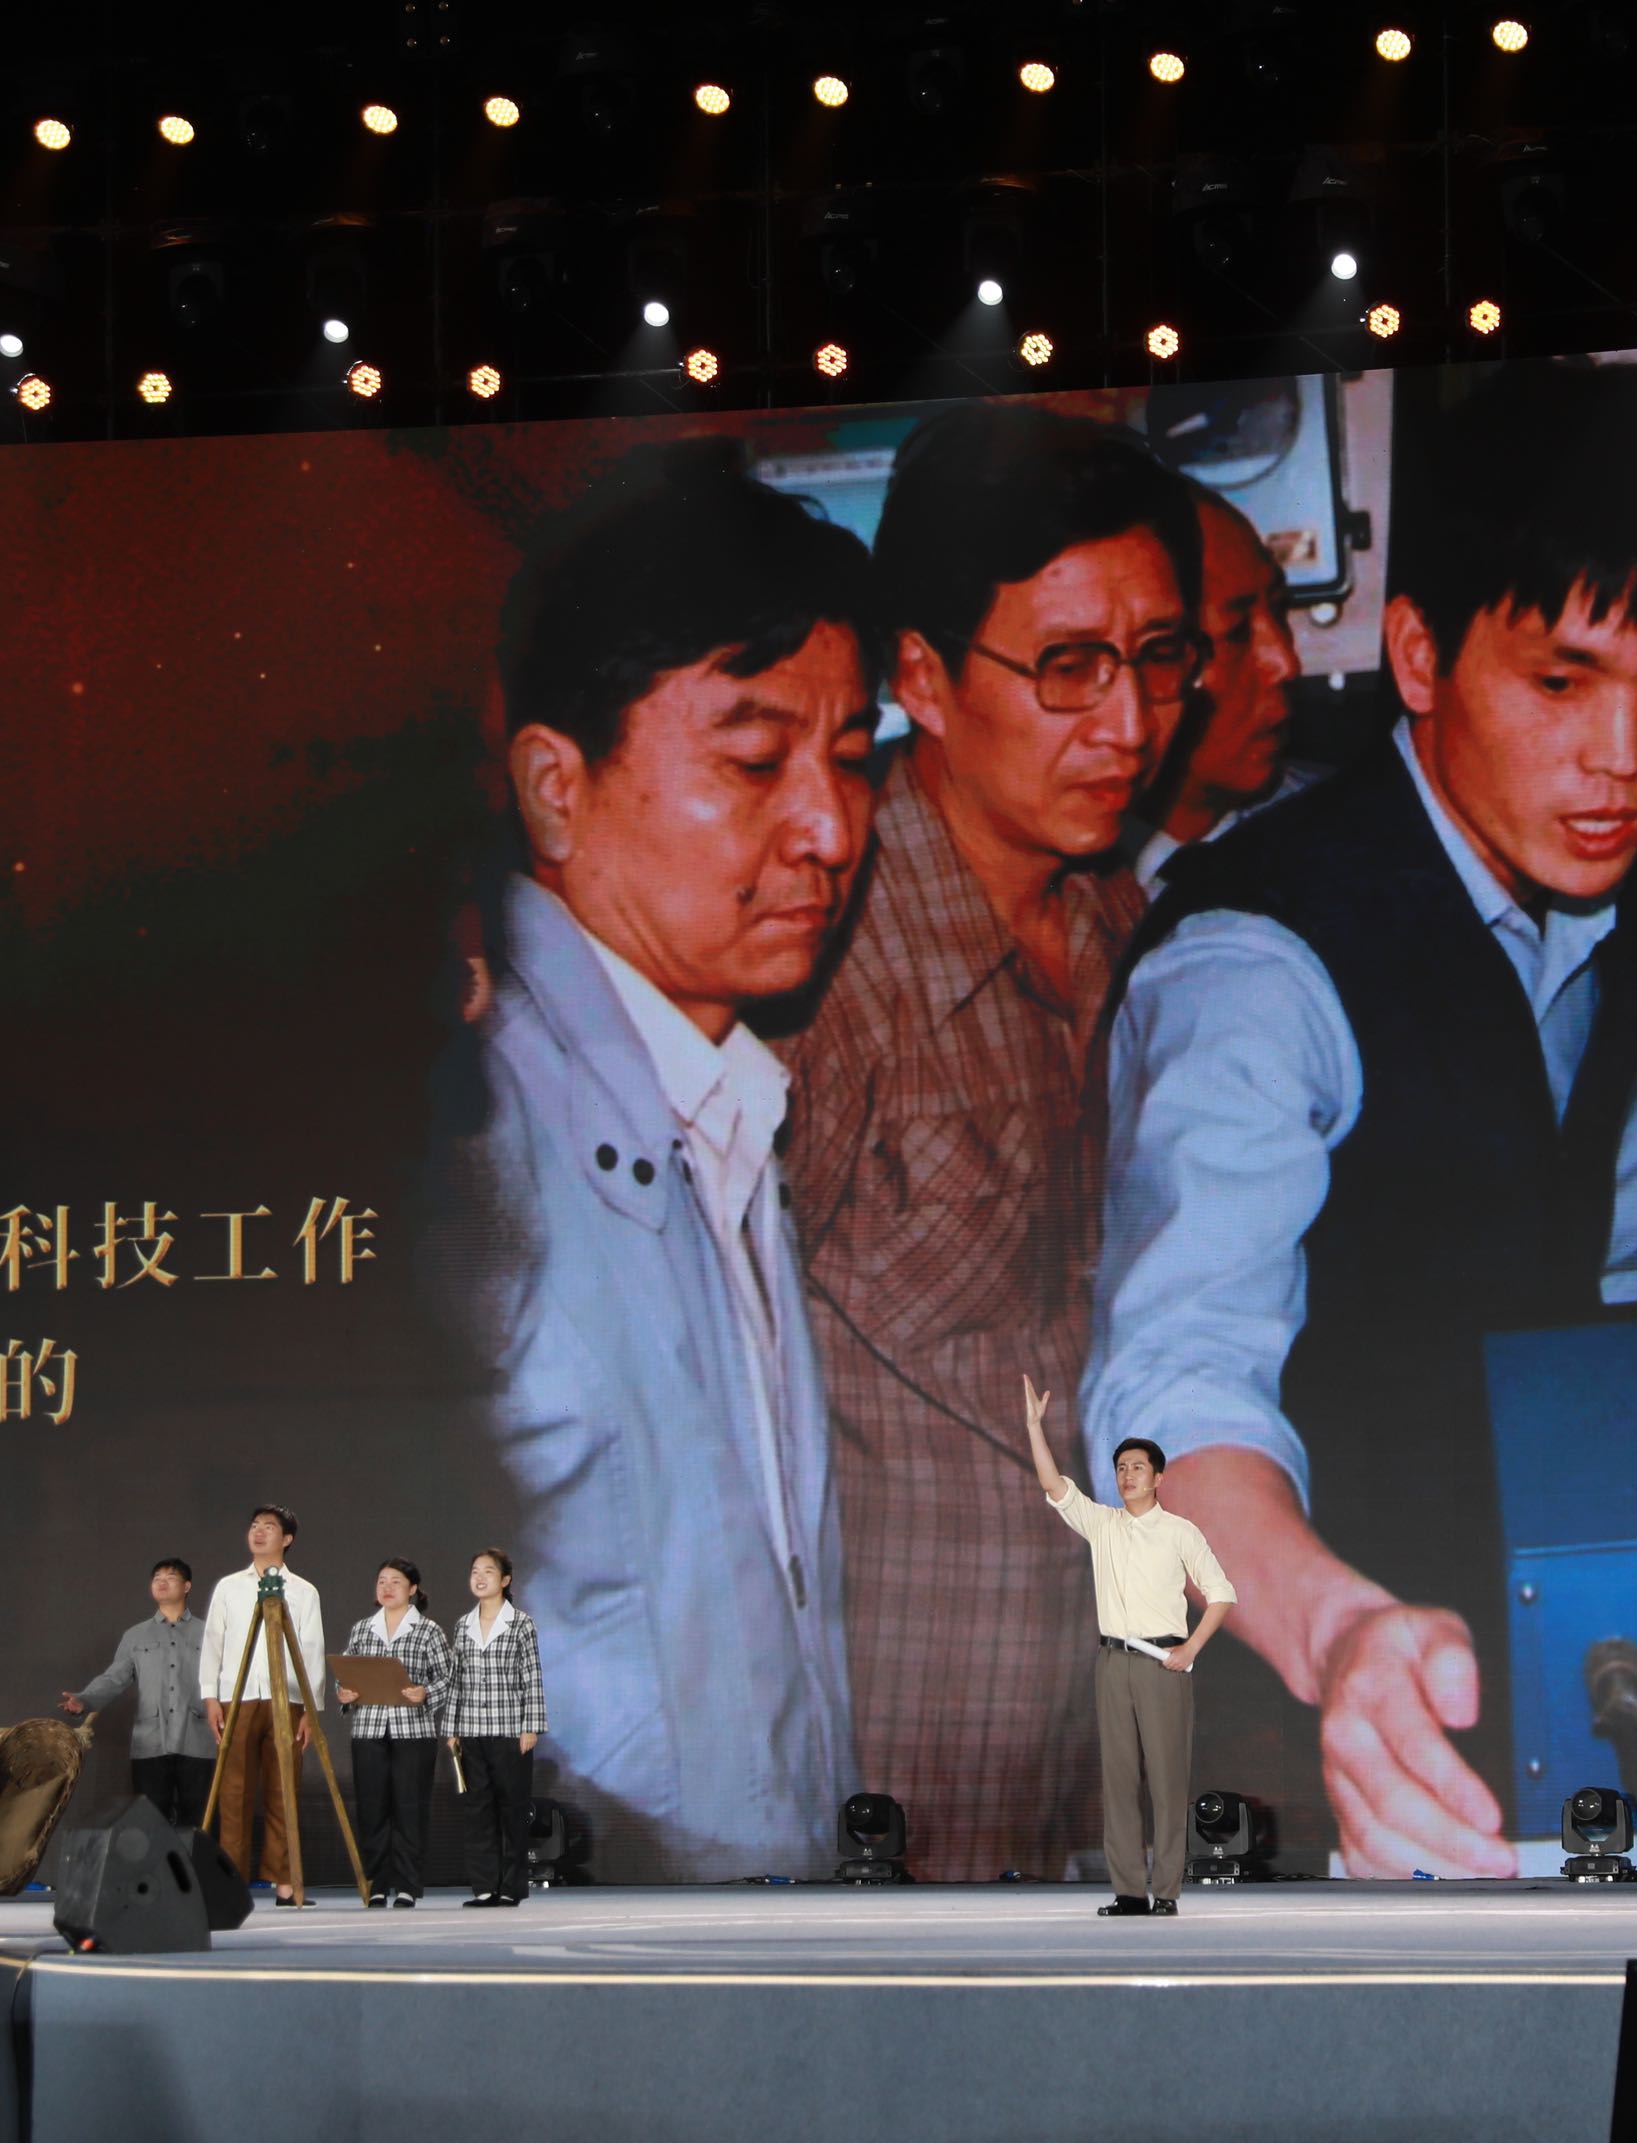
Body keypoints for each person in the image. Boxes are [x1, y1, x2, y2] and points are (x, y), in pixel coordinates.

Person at [1089, 358, 1637, 1879]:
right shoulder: (1257, 959)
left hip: (1530, 1642)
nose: (1623, 756)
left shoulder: (1632, 883)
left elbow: (1612, 1273)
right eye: (1561, 681)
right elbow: (1173, 1400)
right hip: (1280, 1699)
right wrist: (1339, 1630)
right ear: (1420, 654)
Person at [431, 442, 870, 1882]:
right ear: (554, 787)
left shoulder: (720, 1094)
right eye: (753, 761)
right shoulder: (473, 1132)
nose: (829, 828)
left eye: (852, 759)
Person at [782, 405, 1203, 1888]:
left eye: (1159, 658)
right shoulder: (825, 959)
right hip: (891, 1776)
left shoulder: (1123, 922)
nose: (1130, 725)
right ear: (922, 677)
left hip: (1088, 1738)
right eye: (1068, 667)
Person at [1020, 1374, 1236, 1915]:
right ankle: (1129, 1892)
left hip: (1164, 1662)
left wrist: (1191, 1649)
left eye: (1137, 1467)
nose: (1127, 1475)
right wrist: (1034, 1428)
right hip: (1113, 1661)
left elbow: (1221, 1594)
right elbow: (1054, 1485)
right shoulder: (1104, 1525)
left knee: (1166, 1780)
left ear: (1158, 1477)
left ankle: (1167, 1891)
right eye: (1120, 1467)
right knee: (1117, 1780)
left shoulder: (1180, 1531)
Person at [1125, 482, 1312, 895]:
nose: (1286, 663)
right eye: (1238, 631)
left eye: (1279, 609)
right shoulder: (1058, 894)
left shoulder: (1349, 834)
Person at [199, 1505, 330, 1906]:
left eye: (269, 1527)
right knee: (233, 1793)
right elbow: (214, 1642)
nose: (258, 1532)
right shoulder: (229, 1587)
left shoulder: (303, 1591)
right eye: (255, 1526)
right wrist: (210, 1695)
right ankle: (231, 1882)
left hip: (286, 1699)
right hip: (237, 1696)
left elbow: (312, 1650)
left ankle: (286, 1882)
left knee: (283, 1790)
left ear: (286, 1539)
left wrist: (311, 1709)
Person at [63, 1558, 213, 1832]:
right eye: (157, 1578)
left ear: (187, 1586)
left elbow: (226, 1681)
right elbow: (114, 1678)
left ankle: (199, 1863)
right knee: (150, 1824)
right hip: (150, 1742)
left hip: (198, 1739)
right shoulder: (136, 1635)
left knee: (202, 1822)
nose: (162, 1582)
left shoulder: (209, 1633)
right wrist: (85, 1699)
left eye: (170, 1577)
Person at [341, 1560, 450, 1909]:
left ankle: (407, 1885)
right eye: (382, 1581)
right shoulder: (362, 1629)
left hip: (412, 1732)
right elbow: (346, 1672)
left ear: (413, 1589)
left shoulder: (428, 1630)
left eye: (396, 1582)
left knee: (409, 1809)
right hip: (369, 1729)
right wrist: (345, 1692)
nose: (387, 1588)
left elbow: (447, 1677)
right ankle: (374, 1884)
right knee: (371, 1808)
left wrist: (426, 1693)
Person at [444, 1549, 545, 1908]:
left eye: (488, 1571)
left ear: (505, 1580)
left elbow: (532, 1676)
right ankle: (484, 1887)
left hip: (509, 1730)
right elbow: (456, 1680)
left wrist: (531, 1726)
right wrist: (452, 1727)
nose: (480, 1577)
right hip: (471, 1729)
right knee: (478, 1810)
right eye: (475, 1571)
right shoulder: (463, 1625)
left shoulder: (521, 1623)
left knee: (512, 1811)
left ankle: (511, 1886)